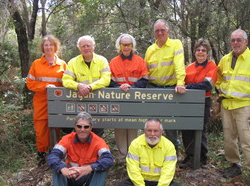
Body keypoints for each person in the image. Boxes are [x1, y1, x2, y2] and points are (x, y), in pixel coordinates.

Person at [216, 29, 250, 186]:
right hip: (227, 105)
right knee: (229, 137)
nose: (235, 43)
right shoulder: (225, 59)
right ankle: (234, 165)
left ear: (246, 42)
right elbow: (218, 78)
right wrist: (220, 89)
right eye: (233, 40)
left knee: (247, 139)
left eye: (239, 40)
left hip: (245, 106)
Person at [47, 112, 114, 186]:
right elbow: (53, 156)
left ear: (91, 128)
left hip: (87, 179)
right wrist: (63, 169)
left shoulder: (98, 141)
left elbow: (108, 159)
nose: (82, 129)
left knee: (101, 168)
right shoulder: (67, 139)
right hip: (70, 176)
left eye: (86, 127)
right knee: (58, 166)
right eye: (79, 126)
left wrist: (90, 167)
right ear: (75, 127)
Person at [116, 118, 185, 186]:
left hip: (159, 183)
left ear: (161, 132)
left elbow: (168, 174)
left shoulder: (169, 146)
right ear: (145, 131)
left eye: (156, 131)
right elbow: (133, 170)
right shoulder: (135, 144)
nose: (152, 134)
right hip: (141, 184)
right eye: (149, 130)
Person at [144, 19, 186, 153]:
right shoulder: (150, 49)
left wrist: (180, 83)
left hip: (170, 89)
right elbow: (145, 70)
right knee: (152, 121)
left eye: (162, 30)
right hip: (152, 88)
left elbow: (179, 65)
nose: (160, 33)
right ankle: (153, 150)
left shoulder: (175, 44)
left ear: (168, 31)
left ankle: (174, 149)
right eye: (157, 30)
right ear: (154, 33)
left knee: (169, 122)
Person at [26, 35, 66, 166]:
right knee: (41, 131)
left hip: (58, 103)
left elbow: (68, 83)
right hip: (41, 102)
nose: (48, 47)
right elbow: (30, 83)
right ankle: (41, 157)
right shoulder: (36, 64)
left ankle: (55, 156)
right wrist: (45, 87)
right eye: (46, 45)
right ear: (42, 47)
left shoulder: (62, 64)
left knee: (56, 130)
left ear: (56, 47)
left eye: (51, 45)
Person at [109, 33, 149, 162]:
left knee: (132, 126)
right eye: (123, 45)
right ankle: (122, 157)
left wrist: (132, 88)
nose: (126, 47)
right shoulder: (114, 62)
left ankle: (132, 156)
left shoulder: (140, 61)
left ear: (132, 46)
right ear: (119, 46)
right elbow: (110, 81)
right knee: (120, 127)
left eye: (128, 45)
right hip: (118, 100)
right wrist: (119, 87)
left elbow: (144, 79)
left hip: (134, 100)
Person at [62, 35, 111, 137]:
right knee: (79, 131)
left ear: (94, 46)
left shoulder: (102, 61)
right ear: (79, 48)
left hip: (98, 103)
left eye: (88, 45)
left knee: (96, 133)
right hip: (79, 103)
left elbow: (106, 80)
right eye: (83, 46)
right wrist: (78, 86)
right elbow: (66, 81)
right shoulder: (73, 62)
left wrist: (90, 87)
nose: (86, 48)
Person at [180, 38, 218, 168]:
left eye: (203, 50)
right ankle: (189, 156)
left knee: (200, 129)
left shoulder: (212, 66)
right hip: (188, 102)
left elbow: (207, 85)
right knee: (186, 129)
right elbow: (181, 83)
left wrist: (189, 87)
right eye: (198, 50)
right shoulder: (188, 68)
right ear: (194, 52)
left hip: (204, 101)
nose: (200, 52)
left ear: (207, 53)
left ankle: (202, 157)